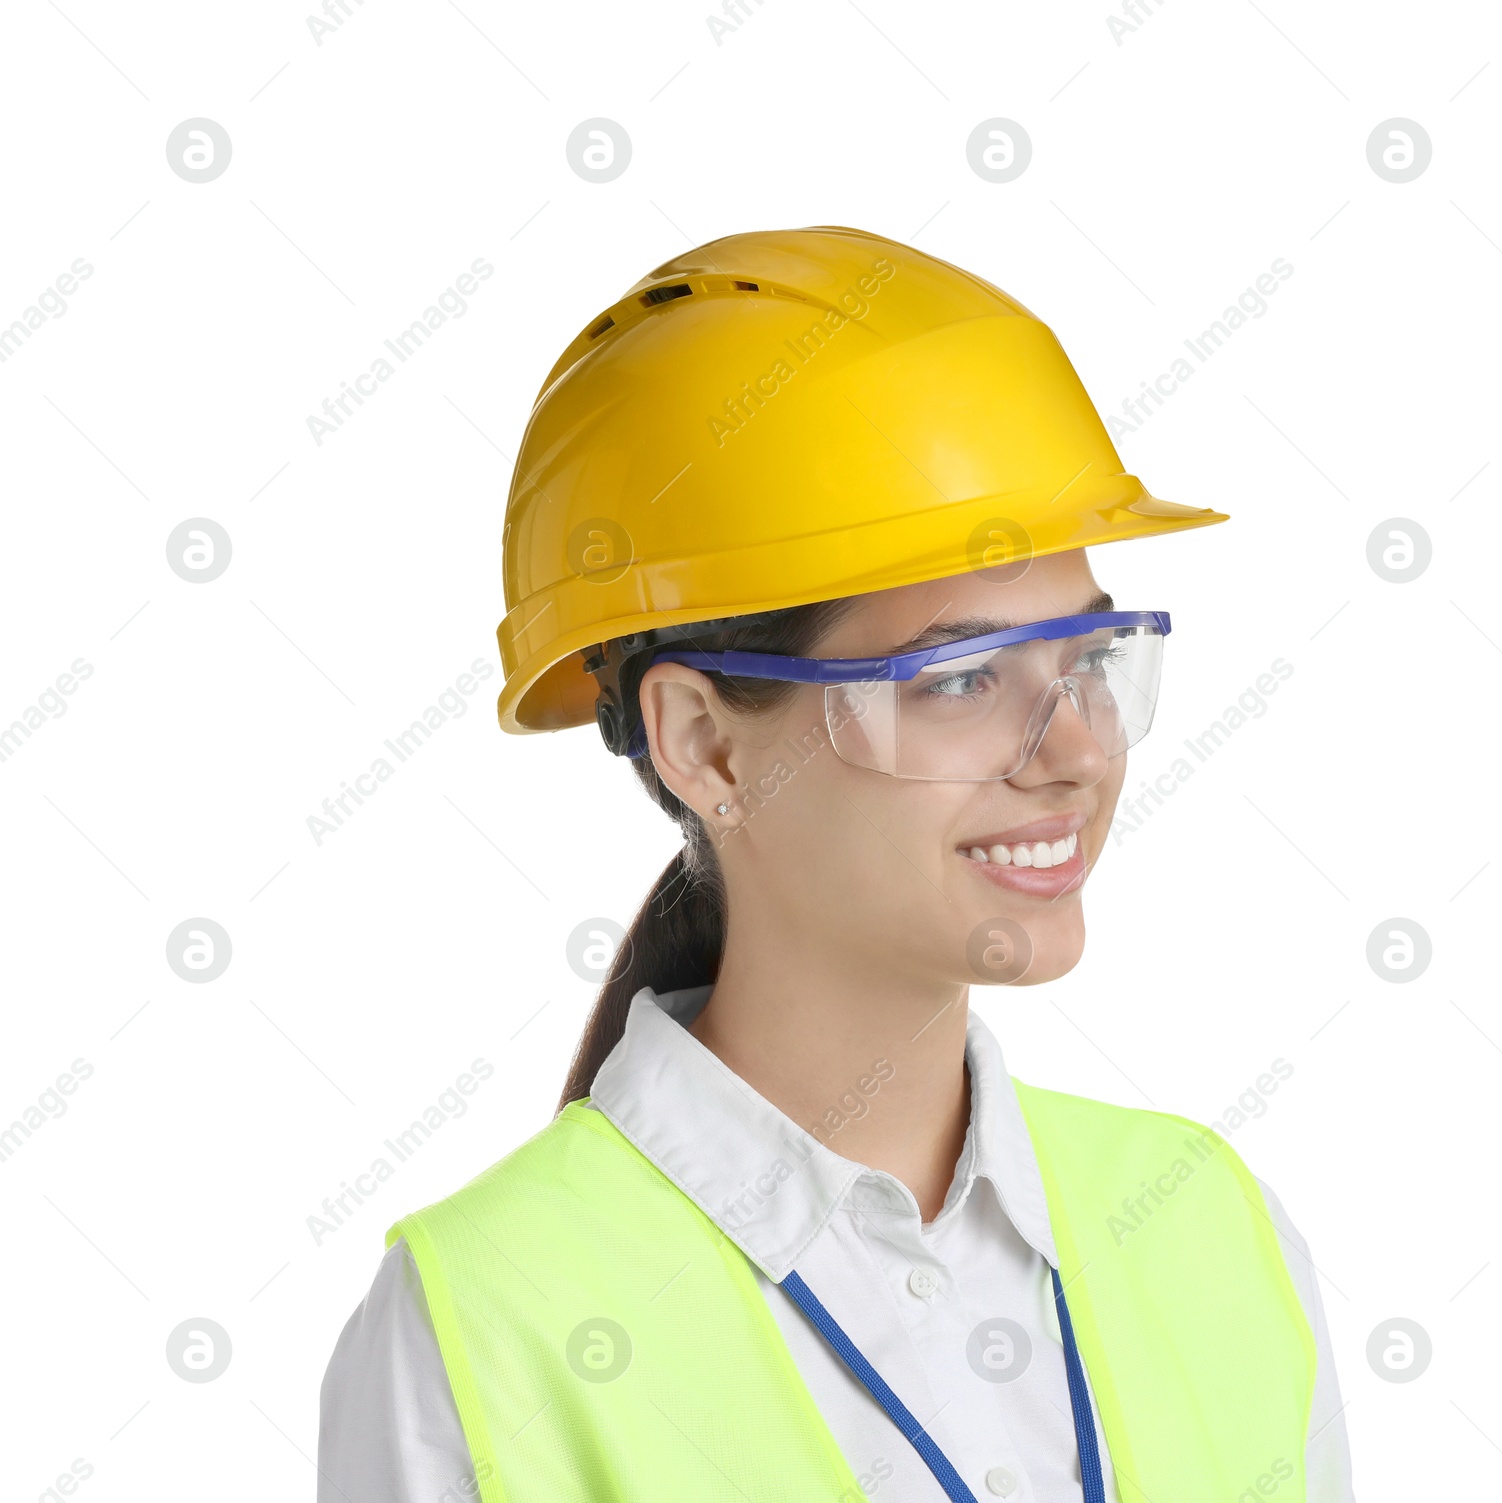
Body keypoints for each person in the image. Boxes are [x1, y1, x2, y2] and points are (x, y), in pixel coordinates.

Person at [318, 226, 1356, 1503]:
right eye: (960, 677)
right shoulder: (478, 1326)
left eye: (1090, 657)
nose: (1078, 748)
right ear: (704, 744)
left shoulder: (1209, 1229)